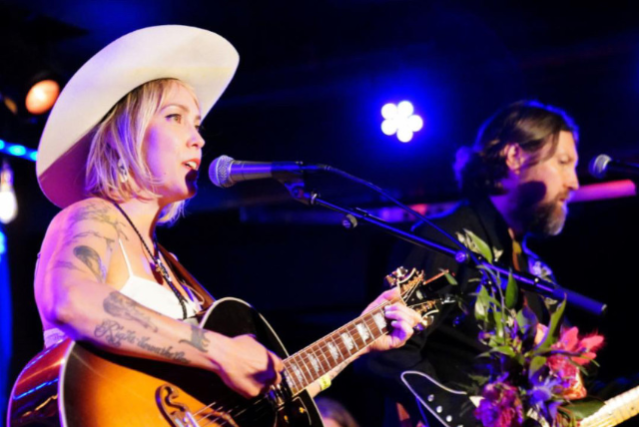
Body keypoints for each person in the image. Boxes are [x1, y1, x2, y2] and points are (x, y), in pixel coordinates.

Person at [28, 25, 422, 407]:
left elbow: (260, 397)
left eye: (197, 124)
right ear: (125, 134)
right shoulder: (92, 217)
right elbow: (70, 299)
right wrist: (220, 351)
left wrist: (360, 338)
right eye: (174, 117)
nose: (198, 139)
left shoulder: (173, 268)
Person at [356, 100, 581, 427]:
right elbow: (388, 352)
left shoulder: (538, 272)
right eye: (563, 162)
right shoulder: (447, 242)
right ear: (515, 156)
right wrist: (460, 418)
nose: (574, 182)